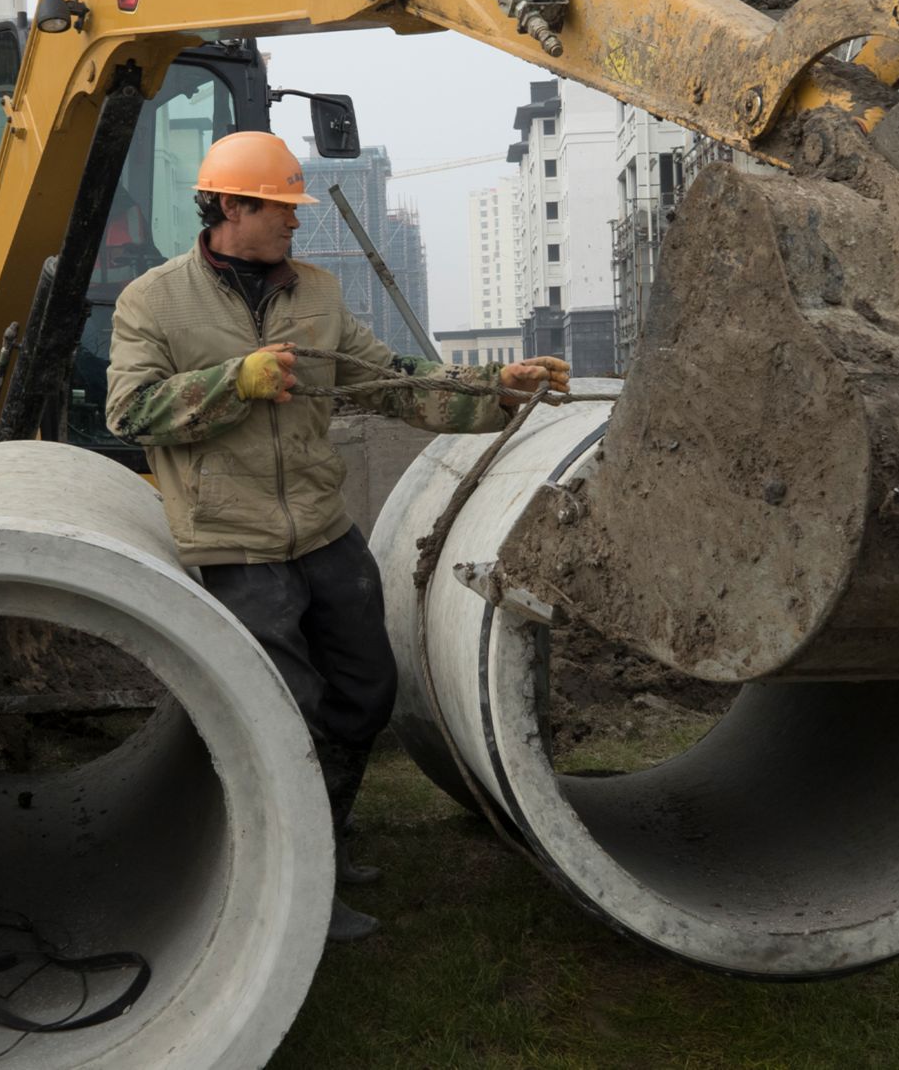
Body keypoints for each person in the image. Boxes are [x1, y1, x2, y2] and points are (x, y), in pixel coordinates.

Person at [105, 131, 568, 942]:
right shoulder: (154, 301)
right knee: (286, 710)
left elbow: (388, 380)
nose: (294, 224)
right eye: (281, 209)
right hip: (233, 540)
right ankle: (292, 875)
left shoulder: (314, 294)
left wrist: (497, 390)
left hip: (321, 529)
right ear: (230, 208)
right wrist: (232, 382)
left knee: (365, 691)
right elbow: (130, 411)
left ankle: (329, 834)